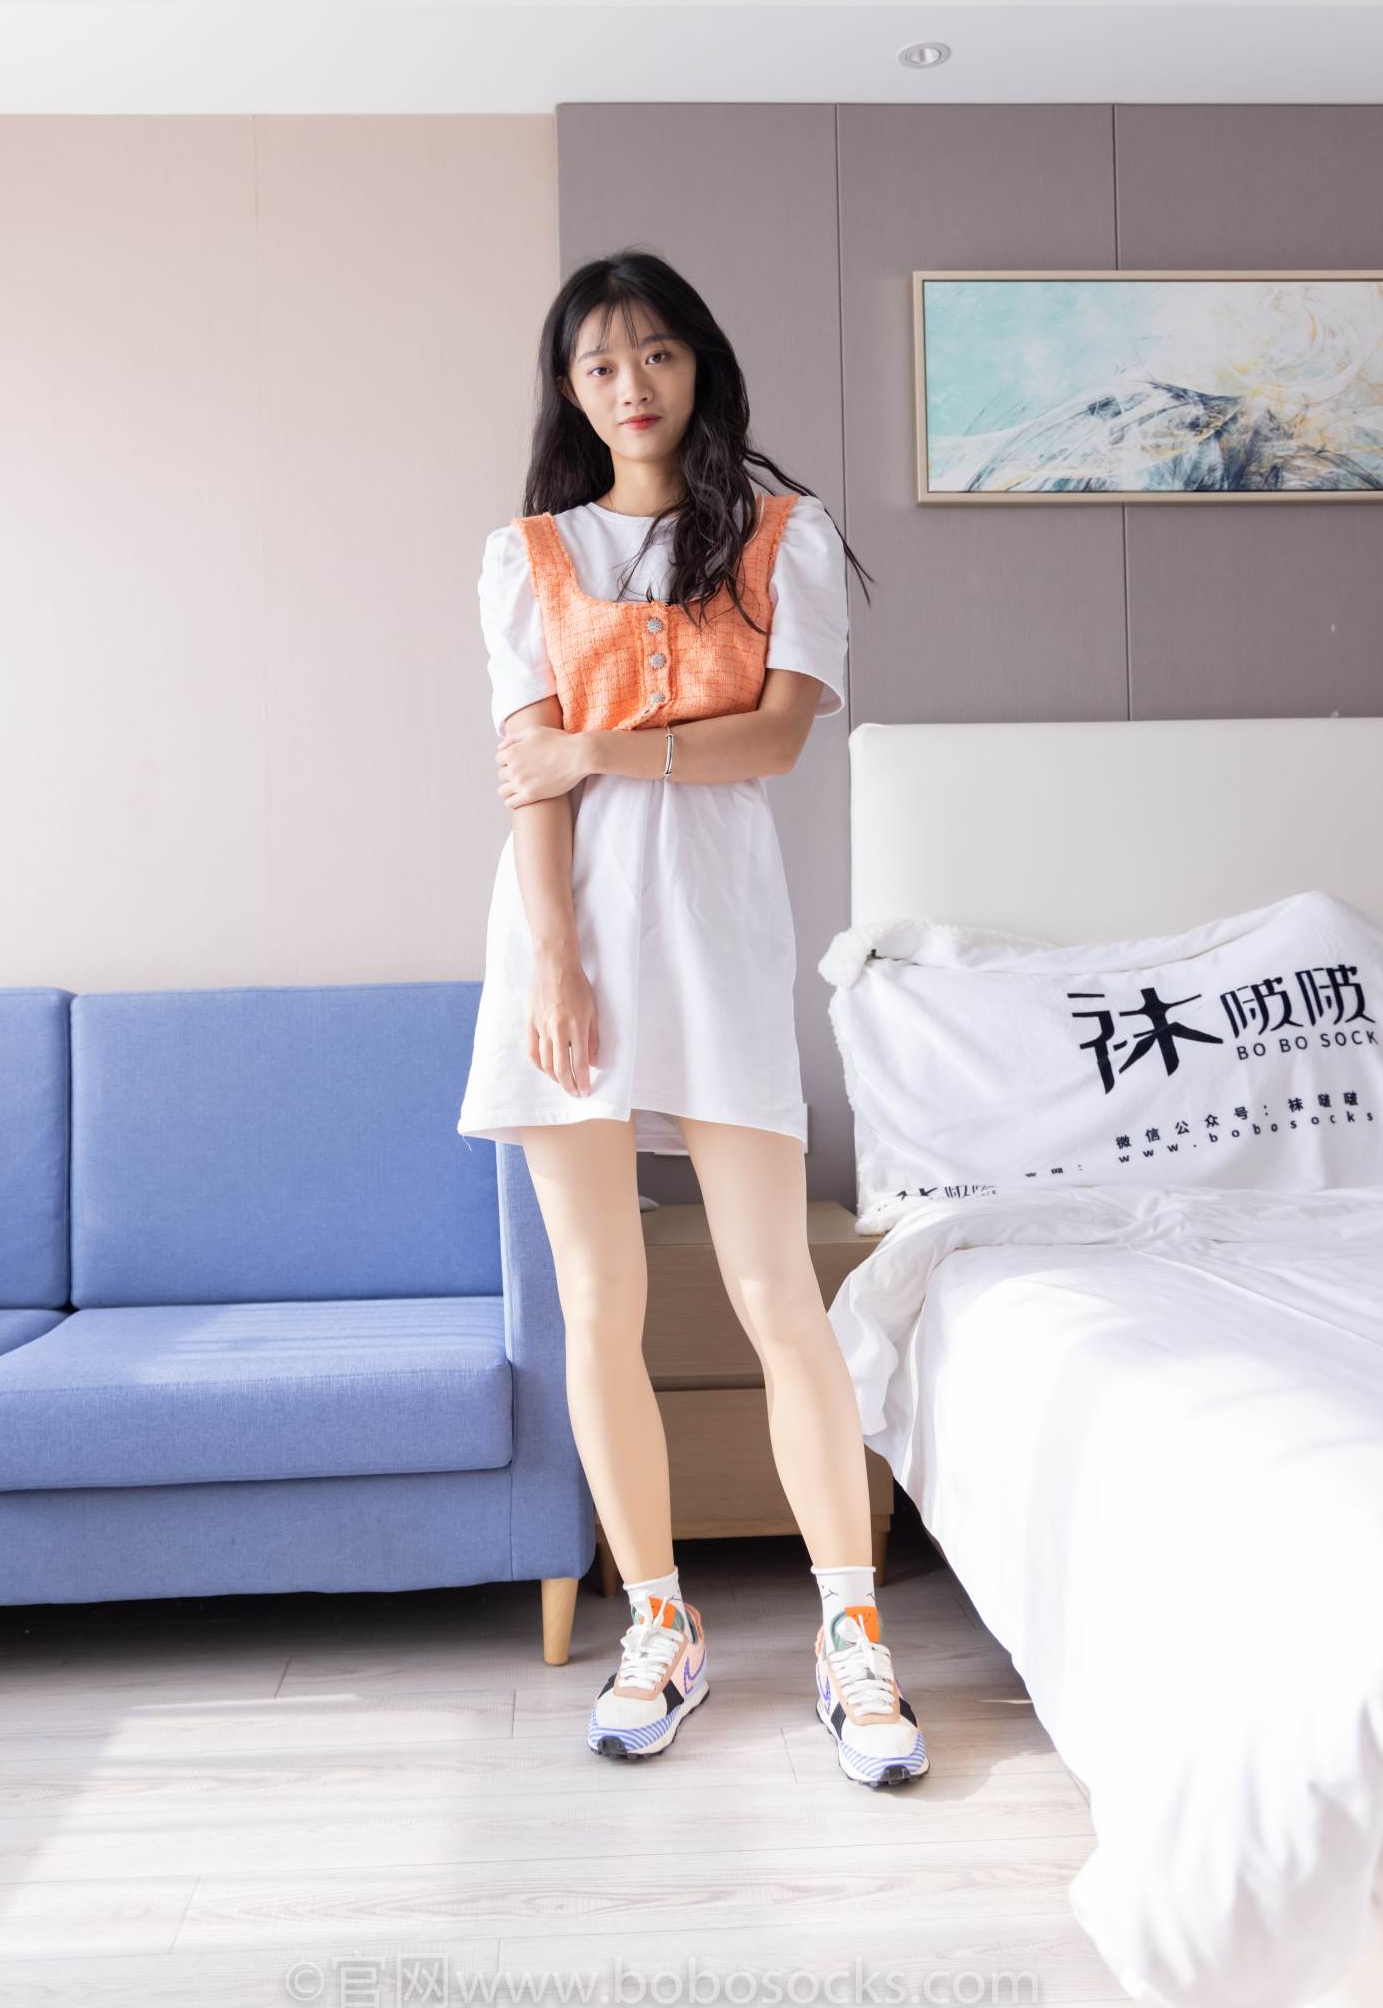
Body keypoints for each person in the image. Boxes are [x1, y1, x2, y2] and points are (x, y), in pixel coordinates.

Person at [456, 249, 929, 1788]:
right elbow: (529, 780)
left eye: (654, 353)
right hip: (569, 948)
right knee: (600, 1302)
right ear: (570, 390)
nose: (631, 385)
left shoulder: (784, 537)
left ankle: (853, 1633)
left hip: (717, 944)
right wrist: (557, 961)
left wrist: (606, 749)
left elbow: (776, 739)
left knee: (776, 1292)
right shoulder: (525, 556)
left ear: (699, 363)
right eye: (599, 364)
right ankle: (658, 1619)